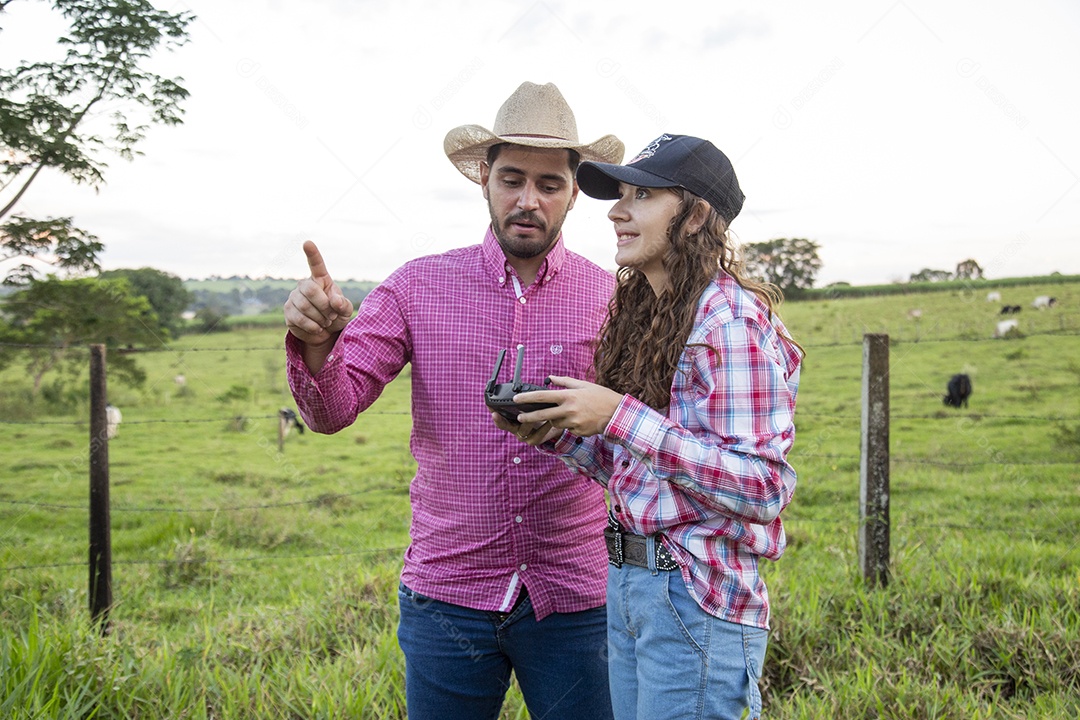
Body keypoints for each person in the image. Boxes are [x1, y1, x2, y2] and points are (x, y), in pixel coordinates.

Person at [283, 82, 624, 720]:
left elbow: (638, 432)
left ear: (574, 192)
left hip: (576, 596)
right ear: (485, 181)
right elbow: (330, 412)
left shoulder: (611, 298)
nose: (529, 200)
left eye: (549, 184)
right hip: (449, 594)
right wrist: (318, 344)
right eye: (512, 178)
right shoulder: (417, 285)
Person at [496, 134, 802, 720]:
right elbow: (647, 471)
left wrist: (618, 415)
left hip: (694, 597)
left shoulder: (729, 321)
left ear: (696, 217)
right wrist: (560, 433)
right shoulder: (656, 316)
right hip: (631, 585)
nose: (617, 210)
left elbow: (762, 489)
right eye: (621, 194)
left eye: (641, 195)